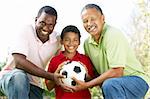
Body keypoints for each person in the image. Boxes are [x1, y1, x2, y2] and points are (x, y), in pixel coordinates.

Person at [71, 4, 150, 99]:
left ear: (102, 18)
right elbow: (94, 73)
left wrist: (87, 85)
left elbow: (117, 72)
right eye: (85, 21)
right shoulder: (87, 44)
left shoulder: (112, 34)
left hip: (137, 81)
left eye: (93, 19)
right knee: (108, 85)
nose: (89, 23)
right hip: (114, 85)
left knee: (109, 84)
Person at [0, 6, 63, 99]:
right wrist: (51, 76)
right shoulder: (26, 30)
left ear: (55, 24)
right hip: (12, 76)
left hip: (34, 83)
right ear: (36, 20)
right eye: (42, 22)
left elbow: (60, 61)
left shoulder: (57, 40)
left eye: (50, 25)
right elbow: (19, 62)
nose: (46, 27)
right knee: (19, 77)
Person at [45, 25, 94, 99]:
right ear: (62, 41)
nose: (71, 43)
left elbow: (91, 85)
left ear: (79, 42)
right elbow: (49, 87)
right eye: (67, 40)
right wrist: (55, 76)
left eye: (75, 40)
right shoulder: (55, 61)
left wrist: (86, 76)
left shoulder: (85, 59)